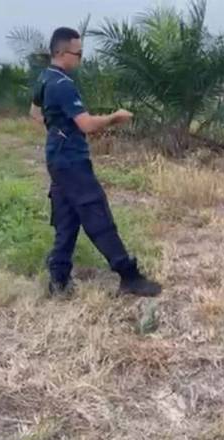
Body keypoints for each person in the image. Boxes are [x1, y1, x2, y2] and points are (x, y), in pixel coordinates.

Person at [30, 27, 162, 298]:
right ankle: (128, 276)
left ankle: (58, 281)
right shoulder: (63, 85)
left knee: (67, 219)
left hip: (56, 158)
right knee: (97, 215)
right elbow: (88, 125)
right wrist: (115, 117)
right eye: (78, 53)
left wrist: (57, 129)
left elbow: (33, 113)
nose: (81, 58)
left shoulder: (44, 78)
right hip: (72, 161)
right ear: (61, 52)